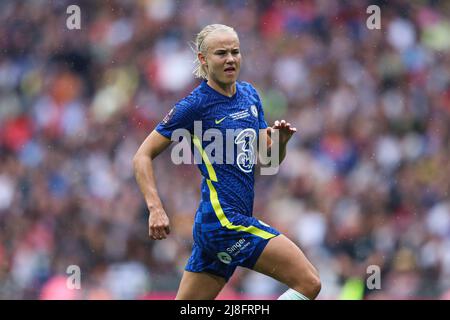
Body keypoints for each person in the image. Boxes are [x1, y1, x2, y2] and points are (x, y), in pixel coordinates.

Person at [133, 24, 321, 300]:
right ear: (203, 59)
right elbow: (142, 155)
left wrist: (280, 142)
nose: (230, 59)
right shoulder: (194, 106)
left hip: (221, 224)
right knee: (310, 282)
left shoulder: (249, 95)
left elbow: (266, 160)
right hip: (224, 222)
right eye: (221, 53)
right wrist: (155, 208)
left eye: (235, 51)